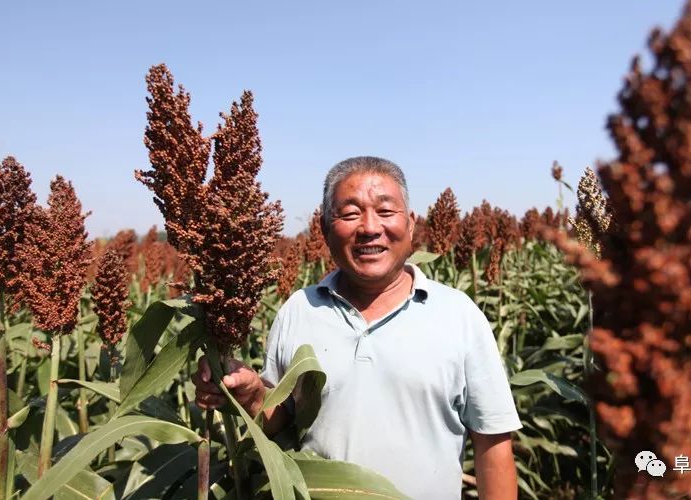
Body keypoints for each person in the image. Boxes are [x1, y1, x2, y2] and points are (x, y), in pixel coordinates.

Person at [193, 156, 522, 499]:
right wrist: (251, 396)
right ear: (323, 228)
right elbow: (279, 420)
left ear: (411, 224)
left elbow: (494, 444)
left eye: (385, 211)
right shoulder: (298, 310)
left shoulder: (459, 315)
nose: (369, 227)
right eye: (350, 214)